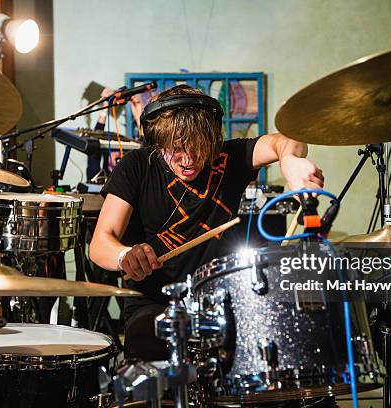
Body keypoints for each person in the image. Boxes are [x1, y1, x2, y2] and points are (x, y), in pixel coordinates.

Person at [89, 84, 324, 360]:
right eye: (176, 148)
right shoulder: (137, 166)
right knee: (147, 346)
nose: (188, 159)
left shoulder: (228, 158)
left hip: (217, 300)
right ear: (159, 140)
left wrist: (289, 161)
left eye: (198, 147)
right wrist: (125, 255)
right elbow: (100, 244)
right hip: (152, 303)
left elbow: (287, 140)